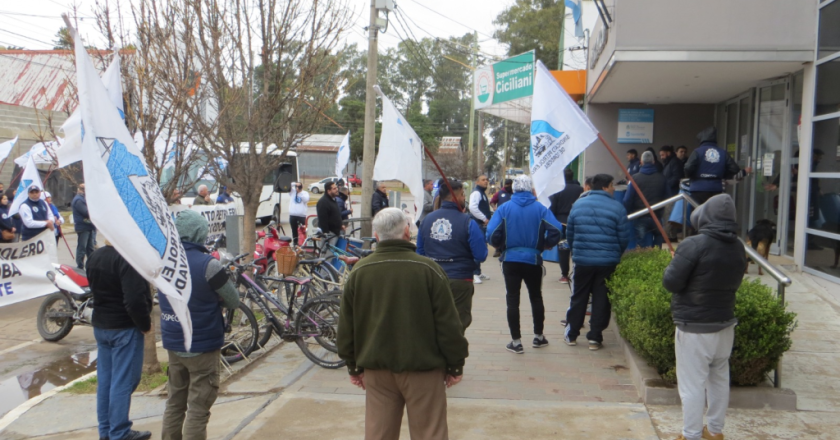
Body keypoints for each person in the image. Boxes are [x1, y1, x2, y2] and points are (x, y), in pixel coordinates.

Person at [337, 208, 468, 440]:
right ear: (407, 231)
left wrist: (353, 365)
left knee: (379, 432)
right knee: (430, 432)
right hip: (424, 368)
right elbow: (449, 325)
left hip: (377, 369)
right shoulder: (429, 270)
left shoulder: (360, 271)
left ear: (376, 236)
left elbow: (347, 325)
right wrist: (455, 363)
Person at [662, 194, 746, 440]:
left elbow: (671, 283)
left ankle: (691, 435)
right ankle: (715, 432)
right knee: (719, 380)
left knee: (692, 385)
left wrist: (675, 263)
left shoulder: (693, 244)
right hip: (724, 324)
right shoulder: (738, 246)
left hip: (695, 327)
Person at [160, 210, 239, 440]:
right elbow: (233, 299)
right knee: (198, 407)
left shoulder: (165, 262)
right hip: (202, 343)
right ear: (199, 234)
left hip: (174, 342)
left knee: (174, 402)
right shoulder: (209, 265)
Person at [487, 175, 563, 354]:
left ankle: (516, 342)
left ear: (513, 188)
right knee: (536, 297)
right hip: (533, 259)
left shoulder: (504, 208)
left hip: (510, 260)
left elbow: (491, 233)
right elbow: (557, 229)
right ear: (530, 189)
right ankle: (538, 337)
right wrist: (546, 244)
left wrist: (499, 245)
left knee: (512, 299)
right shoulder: (541, 209)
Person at [87, 242, 153, 440]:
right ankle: (119, 431)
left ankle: (107, 431)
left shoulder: (95, 256)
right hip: (123, 327)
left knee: (106, 382)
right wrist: (144, 324)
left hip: (102, 325)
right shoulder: (127, 259)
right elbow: (134, 300)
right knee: (123, 382)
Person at [565, 174, 629, 350]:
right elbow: (623, 237)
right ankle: (595, 337)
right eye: (612, 185)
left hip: (583, 260)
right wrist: (616, 253)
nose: (614, 189)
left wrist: (576, 250)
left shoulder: (577, 205)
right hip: (607, 261)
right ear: (605, 187)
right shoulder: (617, 207)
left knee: (579, 296)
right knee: (602, 298)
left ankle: (572, 334)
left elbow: (570, 233)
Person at [417, 179, 488, 330]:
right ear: (458, 196)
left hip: (433, 278)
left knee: (433, 322)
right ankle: (454, 352)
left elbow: (420, 252)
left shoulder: (426, 220)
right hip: (459, 279)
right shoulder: (467, 222)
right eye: (463, 195)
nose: (464, 198)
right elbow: (481, 254)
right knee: (457, 324)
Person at [684, 127, 750, 205]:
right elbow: (734, 169)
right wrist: (723, 175)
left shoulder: (697, 151)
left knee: (698, 213)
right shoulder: (722, 152)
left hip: (698, 188)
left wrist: (690, 176)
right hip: (716, 188)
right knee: (714, 213)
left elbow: (688, 167)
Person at [624, 151, 667, 248]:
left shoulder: (634, 178)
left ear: (641, 162)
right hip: (657, 215)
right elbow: (668, 197)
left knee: (641, 246)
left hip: (640, 215)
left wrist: (628, 213)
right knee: (658, 242)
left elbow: (627, 199)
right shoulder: (662, 178)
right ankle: (658, 260)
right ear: (653, 162)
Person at [549, 169, 584, 283]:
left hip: (561, 222)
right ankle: (577, 273)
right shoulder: (580, 190)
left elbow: (552, 207)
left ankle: (564, 275)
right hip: (577, 222)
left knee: (563, 250)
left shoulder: (558, 190)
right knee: (577, 248)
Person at [468, 174, 492, 284]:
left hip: (481, 224)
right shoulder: (476, 193)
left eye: (486, 180)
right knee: (478, 247)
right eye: (483, 180)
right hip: (477, 224)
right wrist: (484, 218)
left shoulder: (481, 193)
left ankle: (478, 271)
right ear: (477, 182)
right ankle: (473, 273)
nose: (486, 181)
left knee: (481, 246)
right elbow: (472, 207)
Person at [73, 184, 96, 270]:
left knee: (90, 248)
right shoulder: (79, 200)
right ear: (79, 189)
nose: (84, 191)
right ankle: (80, 266)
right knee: (82, 247)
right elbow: (86, 212)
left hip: (89, 226)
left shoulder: (84, 199)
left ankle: (92, 265)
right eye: (83, 189)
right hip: (83, 226)